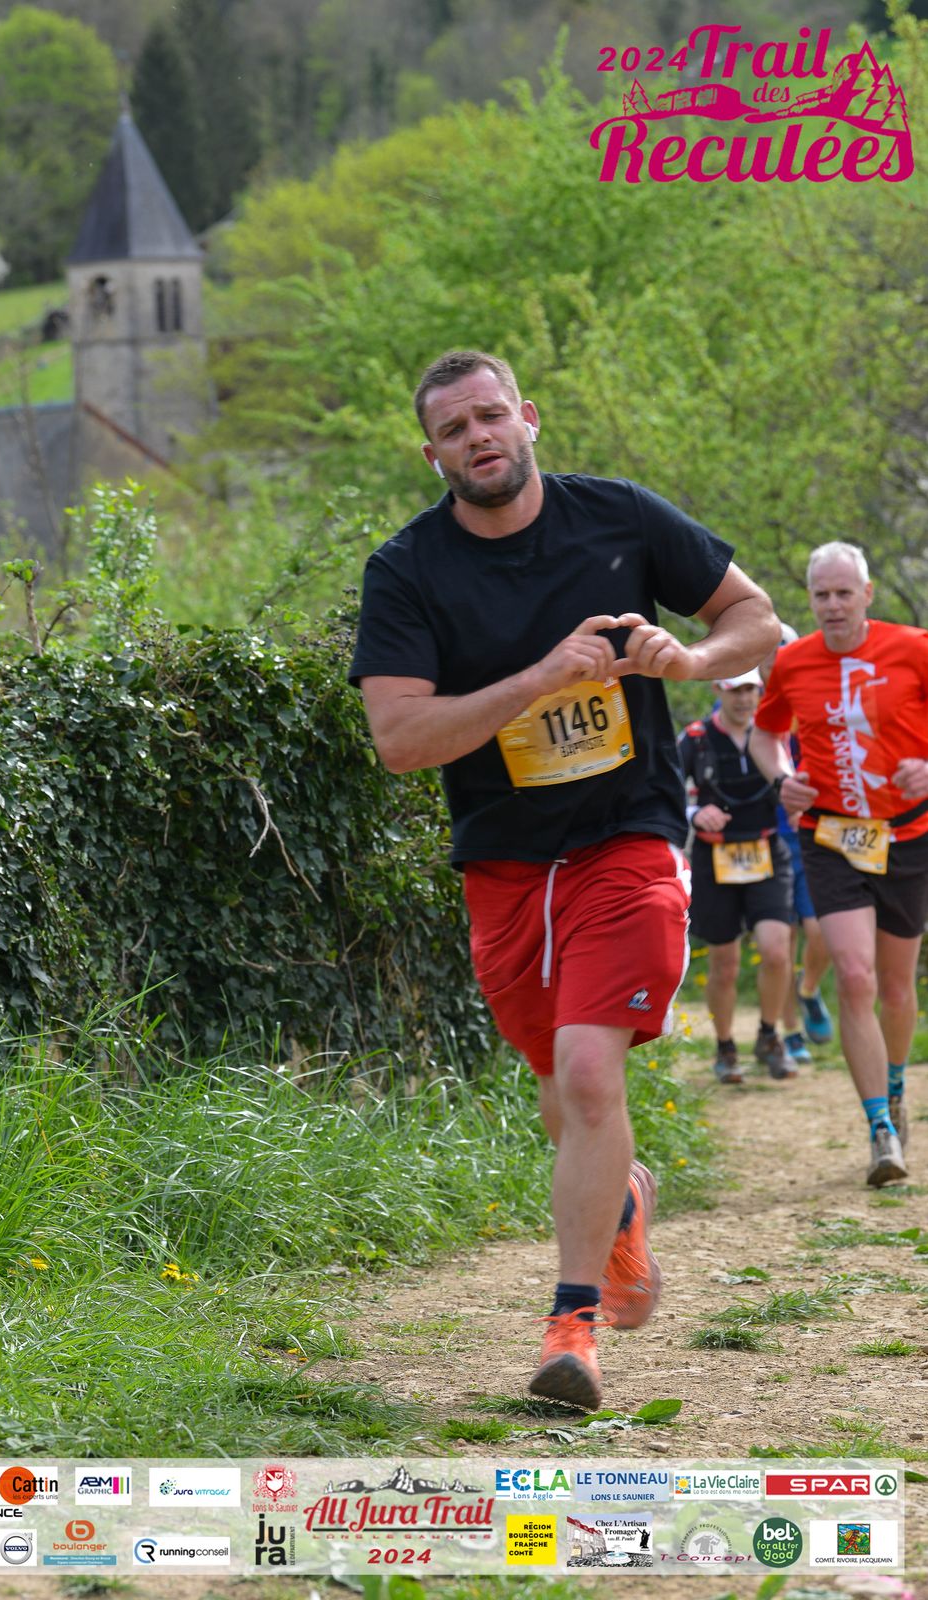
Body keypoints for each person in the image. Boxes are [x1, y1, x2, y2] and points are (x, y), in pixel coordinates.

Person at [350, 349, 779, 1408]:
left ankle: (571, 1330)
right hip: (503, 859)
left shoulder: (617, 517)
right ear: (431, 455)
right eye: (454, 430)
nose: (478, 438)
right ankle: (618, 1200)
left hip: (627, 834)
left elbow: (755, 619)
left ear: (528, 417)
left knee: (589, 1074)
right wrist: (539, 678)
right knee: (558, 1088)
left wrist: (686, 661)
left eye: (491, 416)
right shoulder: (406, 571)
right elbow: (399, 740)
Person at [750, 541, 928, 1187]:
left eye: (843, 593)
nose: (832, 605)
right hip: (829, 836)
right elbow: (765, 734)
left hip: (907, 836)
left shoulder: (914, 648)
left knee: (895, 986)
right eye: (821, 594)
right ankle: (880, 1128)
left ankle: (896, 1087)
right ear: (810, 599)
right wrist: (782, 779)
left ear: (866, 594)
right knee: (854, 977)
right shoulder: (793, 662)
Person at [678, 668, 796, 1084]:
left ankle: (769, 1035)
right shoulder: (695, 739)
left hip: (766, 850)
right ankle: (725, 1047)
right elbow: (665, 792)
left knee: (776, 951)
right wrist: (695, 813)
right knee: (725, 963)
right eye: (735, 690)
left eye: (750, 689)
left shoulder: (774, 735)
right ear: (717, 689)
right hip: (715, 857)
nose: (744, 699)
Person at [760, 624, 833, 1064]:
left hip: (813, 835)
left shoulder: (815, 703)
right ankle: (790, 1034)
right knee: (780, 943)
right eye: (767, 654)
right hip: (764, 841)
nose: (774, 661)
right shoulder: (741, 703)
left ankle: (809, 990)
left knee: (821, 931)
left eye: (782, 651)